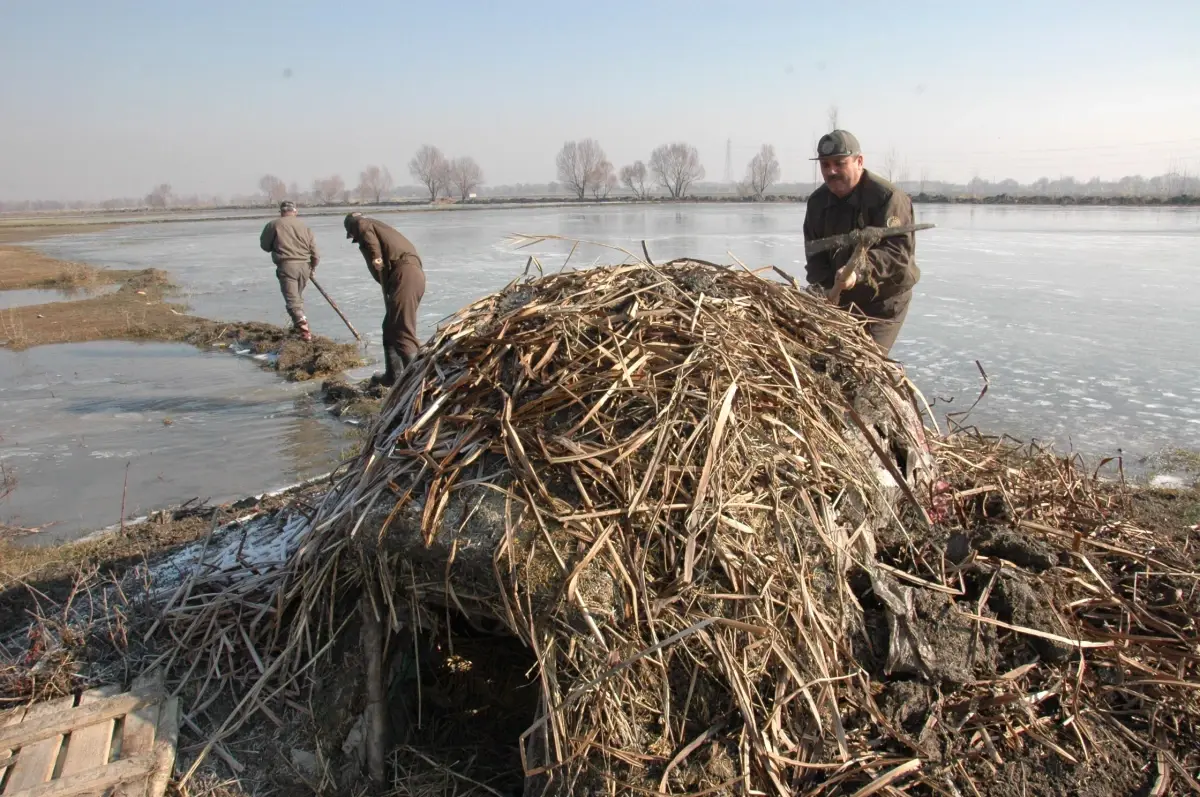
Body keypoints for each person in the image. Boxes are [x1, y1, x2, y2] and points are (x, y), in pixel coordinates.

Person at [803, 130, 919, 355]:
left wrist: (858, 271)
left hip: (884, 301)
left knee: (864, 360)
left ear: (859, 161)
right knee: (825, 357)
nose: (831, 171)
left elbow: (898, 255)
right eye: (825, 165)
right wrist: (825, 290)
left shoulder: (888, 197)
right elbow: (815, 257)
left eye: (839, 163)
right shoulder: (817, 203)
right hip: (842, 299)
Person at [344, 212, 426, 386]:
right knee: (389, 328)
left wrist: (376, 257)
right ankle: (393, 376)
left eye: (353, 237)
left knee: (401, 330)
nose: (356, 240)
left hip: (406, 276)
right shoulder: (379, 229)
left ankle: (417, 380)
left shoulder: (362, 224)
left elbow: (363, 226)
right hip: (405, 278)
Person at [259, 200, 319, 341]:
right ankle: (297, 327)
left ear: (281, 211)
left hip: (287, 266)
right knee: (297, 298)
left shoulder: (273, 225)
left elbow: (265, 246)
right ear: (295, 211)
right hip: (305, 266)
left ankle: (304, 333)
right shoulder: (305, 227)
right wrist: (313, 267)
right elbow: (315, 253)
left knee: (292, 301)